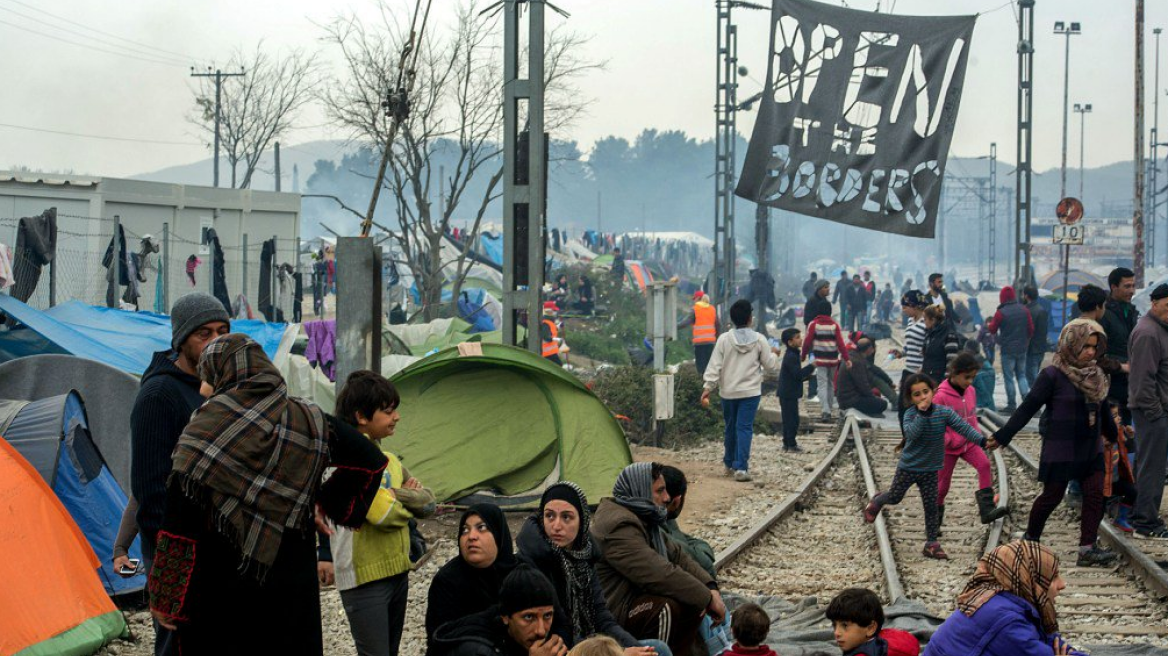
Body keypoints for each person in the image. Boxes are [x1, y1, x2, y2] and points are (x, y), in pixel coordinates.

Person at [146, 335, 389, 655]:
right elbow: (370, 460)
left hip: (220, 592)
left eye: (208, 375)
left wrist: (166, 595)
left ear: (223, 374)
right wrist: (324, 502)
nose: (204, 386)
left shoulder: (204, 429)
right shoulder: (308, 419)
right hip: (289, 592)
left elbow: (179, 523)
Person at [131, 292, 229, 655]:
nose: (216, 341)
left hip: (215, 547)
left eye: (223, 331)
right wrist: (167, 575)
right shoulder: (159, 395)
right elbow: (150, 490)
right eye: (204, 334)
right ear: (181, 340)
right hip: (178, 552)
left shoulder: (216, 389)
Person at [317, 371, 436, 656]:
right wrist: (405, 501)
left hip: (397, 570)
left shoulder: (390, 461)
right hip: (363, 576)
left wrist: (396, 496)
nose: (396, 417)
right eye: (388, 411)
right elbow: (380, 514)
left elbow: (429, 503)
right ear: (361, 416)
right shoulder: (345, 461)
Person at [987, 322, 1120, 565]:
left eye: (1094, 347)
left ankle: (1087, 549)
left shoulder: (1096, 374)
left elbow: (1103, 410)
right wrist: (1003, 435)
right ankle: (1030, 540)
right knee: (1052, 496)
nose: (1091, 352)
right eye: (1085, 346)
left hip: (1090, 447)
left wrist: (1115, 436)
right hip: (1061, 446)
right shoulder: (1052, 375)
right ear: (1071, 344)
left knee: (1094, 495)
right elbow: (1028, 408)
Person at [516, 482, 667, 656]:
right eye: (549, 516)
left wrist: (633, 648)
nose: (556, 526)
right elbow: (557, 633)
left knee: (656, 649)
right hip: (562, 649)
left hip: (589, 642)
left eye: (566, 517)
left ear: (582, 522)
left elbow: (602, 618)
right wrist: (618, 654)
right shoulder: (531, 565)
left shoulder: (584, 559)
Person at [592, 463, 725, 656]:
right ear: (641, 491)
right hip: (616, 612)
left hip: (636, 601)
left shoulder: (644, 518)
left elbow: (679, 556)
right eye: (660, 491)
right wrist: (705, 597)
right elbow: (658, 573)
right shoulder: (617, 526)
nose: (667, 498)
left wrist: (710, 588)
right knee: (665, 608)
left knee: (692, 600)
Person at [864, 373, 988, 560]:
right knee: (895, 497)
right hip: (909, 468)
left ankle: (931, 544)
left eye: (926, 392)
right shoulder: (910, 414)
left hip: (931, 470)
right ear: (910, 398)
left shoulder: (943, 412)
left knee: (931, 506)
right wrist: (922, 413)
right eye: (917, 394)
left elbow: (963, 427)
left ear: (933, 391)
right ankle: (878, 501)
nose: (923, 397)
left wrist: (982, 441)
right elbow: (912, 435)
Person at [925, 540, 1086, 656]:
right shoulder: (1008, 620)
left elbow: (1052, 642)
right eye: (1053, 577)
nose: (1062, 584)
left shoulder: (1002, 600)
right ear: (1031, 580)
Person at [427, 504, 532, 649]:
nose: (471, 536)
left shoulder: (523, 574)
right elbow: (440, 638)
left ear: (498, 533)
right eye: (465, 530)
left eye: (481, 528)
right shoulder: (447, 581)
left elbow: (555, 619)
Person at [701, 299, 782, 482]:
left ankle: (729, 463)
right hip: (750, 393)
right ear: (749, 318)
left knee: (730, 427)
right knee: (744, 428)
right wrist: (775, 355)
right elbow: (770, 367)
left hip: (728, 392)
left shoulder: (724, 339)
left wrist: (707, 388)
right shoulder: (760, 339)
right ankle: (741, 468)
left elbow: (715, 366)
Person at [933, 352, 1008, 529]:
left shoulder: (971, 392)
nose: (970, 382)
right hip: (948, 448)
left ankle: (987, 510)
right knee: (942, 487)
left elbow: (972, 418)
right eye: (967, 377)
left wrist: (981, 439)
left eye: (973, 378)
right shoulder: (940, 397)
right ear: (954, 373)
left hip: (969, 443)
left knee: (984, 465)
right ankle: (934, 522)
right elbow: (937, 426)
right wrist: (949, 440)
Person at [430, 565, 570, 656]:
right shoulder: (476, 651)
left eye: (547, 616)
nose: (540, 630)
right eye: (528, 617)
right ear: (505, 617)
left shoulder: (523, 638)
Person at [1128, 283, 1168, 540]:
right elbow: (1142, 381)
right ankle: (1144, 523)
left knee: (1155, 467)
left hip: (1159, 411)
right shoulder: (1148, 333)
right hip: (1152, 413)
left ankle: (1148, 517)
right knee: (1151, 468)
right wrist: (1156, 414)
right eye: (1167, 306)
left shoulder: (1161, 330)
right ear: (1154, 304)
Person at [826, 589, 919, 656]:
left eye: (845, 625)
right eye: (834, 625)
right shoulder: (890, 638)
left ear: (870, 628)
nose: (836, 633)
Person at [1100, 267, 1139, 429]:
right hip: (1110, 384)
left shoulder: (1132, 312)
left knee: (1127, 433)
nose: (1131, 290)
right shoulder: (1104, 314)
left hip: (1129, 385)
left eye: (1133, 286)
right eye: (1127, 286)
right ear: (1114, 287)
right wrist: (1121, 366)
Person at [987, 286, 1035, 413]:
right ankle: (1028, 403)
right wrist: (1025, 341)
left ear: (1002, 298)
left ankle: (1012, 405)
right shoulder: (1024, 310)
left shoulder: (1000, 313)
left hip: (1007, 350)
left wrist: (997, 336)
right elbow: (1031, 329)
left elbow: (992, 329)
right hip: (1022, 349)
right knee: (1021, 375)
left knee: (1008, 377)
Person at [802, 298, 851, 422]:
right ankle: (829, 407)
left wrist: (802, 356)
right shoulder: (834, 325)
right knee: (830, 383)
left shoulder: (813, 324)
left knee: (822, 384)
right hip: (833, 360)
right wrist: (847, 358)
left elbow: (807, 342)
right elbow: (841, 344)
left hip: (820, 360)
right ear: (829, 311)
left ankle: (826, 411)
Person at [778, 327, 816, 452]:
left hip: (788, 392)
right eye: (797, 337)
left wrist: (807, 376)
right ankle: (791, 445)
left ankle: (787, 444)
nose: (801, 340)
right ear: (790, 342)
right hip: (788, 393)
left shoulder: (793, 354)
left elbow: (794, 376)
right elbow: (797, 374)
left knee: (789, 418)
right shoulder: (791, 356)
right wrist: (812, 366)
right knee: (792, 420)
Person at [837, 336, 889, 417]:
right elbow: (863, 385)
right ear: (869, 349)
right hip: (850, 401)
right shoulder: (857, 361)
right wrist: (873, 398)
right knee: (883, 404)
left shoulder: (853, 356)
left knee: (876, 398)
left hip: (845, 398)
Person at [803, 279, 833, 401]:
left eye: (828, 287)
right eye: (826, 287)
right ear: (820, 288)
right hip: (813, 338)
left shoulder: (825, 301)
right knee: (813, 364)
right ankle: (811, 392)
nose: (828, 289)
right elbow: (806, 320)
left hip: (823, 337)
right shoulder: (811, 302)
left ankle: (821, 391)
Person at [679, 291, 719, 375]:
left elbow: (686, 322)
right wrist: (717, 338)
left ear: (698, 298)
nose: (694, 301)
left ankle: (701, 383)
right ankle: (709, 385)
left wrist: (674, 327)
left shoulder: (695, 309)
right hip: (710, 343)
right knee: (709, 366)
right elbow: (718, 325)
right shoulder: (712, 309)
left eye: (695, 299)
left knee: (701, 366)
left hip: (699, 343)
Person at [920, 305, 961, 385]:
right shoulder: (930, 334)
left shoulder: (949, 335)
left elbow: (952, 361)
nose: (924, 322)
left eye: (925, 319)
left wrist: (945, 382)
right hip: (928, 378)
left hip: (940, 380)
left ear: (933, 320)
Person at [898, 291, 930, 385]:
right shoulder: (910, 321)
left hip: (921, 371)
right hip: (908, 369)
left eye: (905, 307)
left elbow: (931, 348)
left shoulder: (927, 322)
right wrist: (901, 353)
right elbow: (910, 345)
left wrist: (923, 368)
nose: (903, 310)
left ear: (914, 306)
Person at [1023, 286, 1048, 388]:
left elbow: (1027, 332)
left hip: (1031, 348)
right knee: (1035, 373)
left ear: (1026, 296)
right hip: (1041, 347)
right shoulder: (1042, 310)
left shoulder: (1027, 311)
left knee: (1031, 376)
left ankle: (1036, 397)